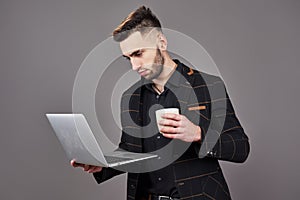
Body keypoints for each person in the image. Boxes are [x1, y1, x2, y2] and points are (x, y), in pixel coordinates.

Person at [71, 6, 250, 200]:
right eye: (128, 58)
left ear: (161, 43)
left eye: (138, 53)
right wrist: (103, 165)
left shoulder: (208, 85)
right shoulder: (130, 97)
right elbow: (130, 152)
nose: (134, 66)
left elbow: (241, 148)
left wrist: (198, 134)